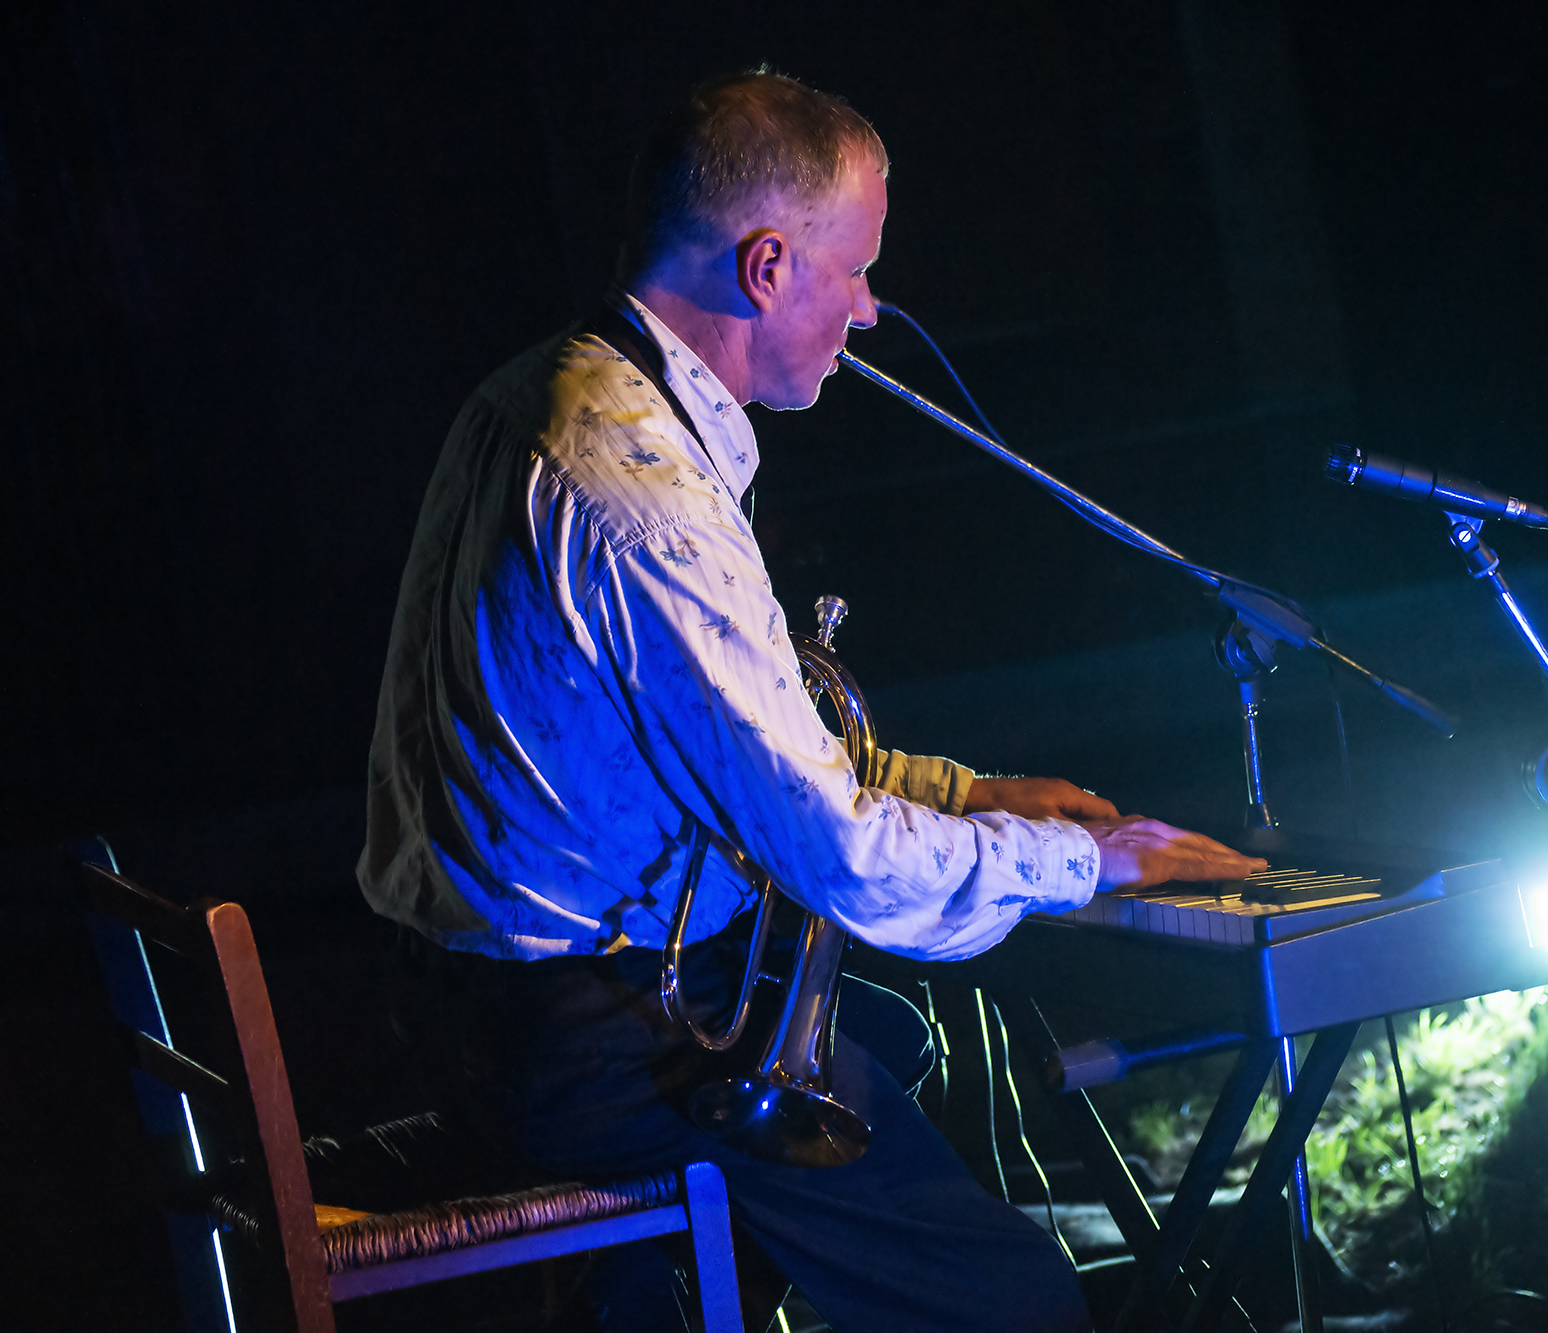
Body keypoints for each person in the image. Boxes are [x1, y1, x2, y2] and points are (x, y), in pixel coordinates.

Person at [357, 68, 1264, 1331]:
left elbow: (759, 744)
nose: (870, 309)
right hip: (590, 1038)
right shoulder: (643, 500)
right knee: (1013, 1299)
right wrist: (1085, 863)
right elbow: (842, 861)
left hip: (462, 1002)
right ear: (768, 265)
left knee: (899, 1045)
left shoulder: (543, 392)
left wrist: (972, 795)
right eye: (856, 269)